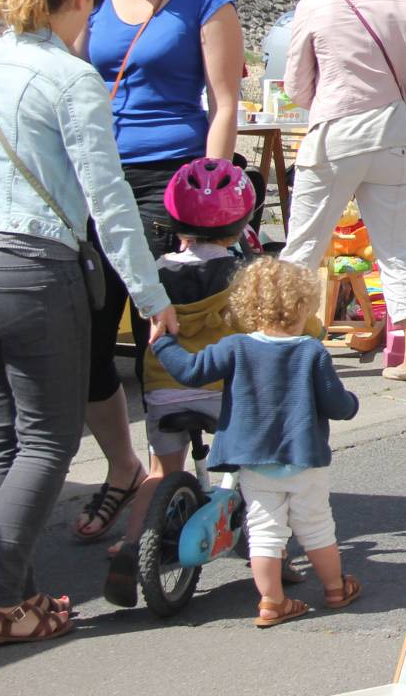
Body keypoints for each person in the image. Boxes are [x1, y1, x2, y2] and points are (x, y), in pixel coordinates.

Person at [0, 0, 177, 646]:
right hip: (33, 268)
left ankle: (13, 596)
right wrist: (152, 295)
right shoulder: (72, 77)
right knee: (47, 441)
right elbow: (109, 200)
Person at [75, 0, 240, 545]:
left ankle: (167, 485)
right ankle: (124, 469)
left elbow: (224, 102)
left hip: (169, 179)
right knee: (86, 334)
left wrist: (213, 194)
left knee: (158, 330)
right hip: (91, 175)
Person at [152, 255, 362, 627]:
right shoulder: (310, 351)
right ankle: (334, 588)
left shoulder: (235, 346)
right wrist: (350, 406)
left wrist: (164, 344)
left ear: (248, 306)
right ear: (302, 307)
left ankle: (271, 601)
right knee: (315, 526)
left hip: (254, 462)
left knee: (264, 531)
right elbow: (336, 403)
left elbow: (190, 371)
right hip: (303, 459)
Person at [279, 0, 406, 383]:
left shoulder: (315, 5)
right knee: (396, 251)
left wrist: (324, 100)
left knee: (303, 247)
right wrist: (399, 92)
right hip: (392, 132)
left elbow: (295, 82)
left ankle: (282, 350)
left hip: (334, 132)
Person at [103, 157, 259, 606]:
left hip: (164, 386)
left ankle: (132, 548)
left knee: (160, 471)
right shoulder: (243, 274)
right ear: (242, 225)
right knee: (252, 467)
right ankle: (271, 548)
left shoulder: (155, 273)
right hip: (222, 390)